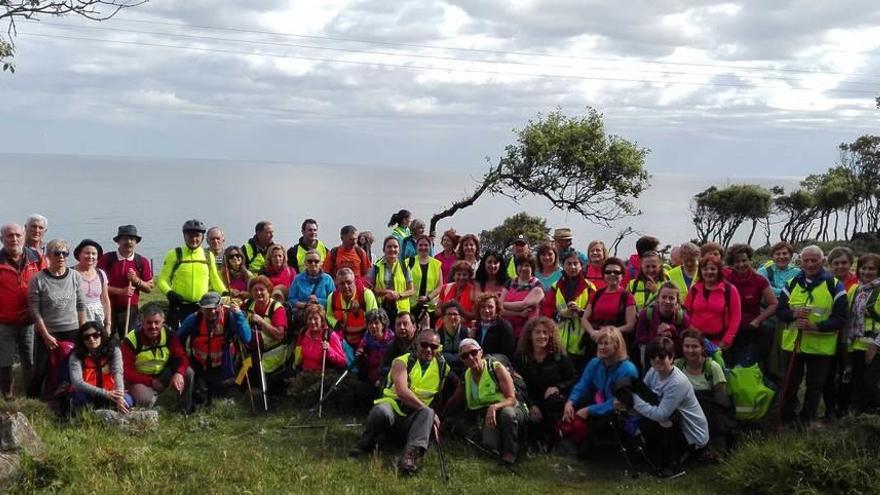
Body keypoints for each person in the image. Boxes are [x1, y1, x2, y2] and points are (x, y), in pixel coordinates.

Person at [350, 329, 454, 476]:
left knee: (428, 413)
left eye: (434, 346)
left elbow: (441, 395)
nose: (429, 349)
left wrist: (435, 416)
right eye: (424, 344)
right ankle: (366, 442)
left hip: (412, 421)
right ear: (417, 344)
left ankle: (409, 457)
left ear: (439, 348)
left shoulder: (443, 368)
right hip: (393, 410)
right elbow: (402, 392)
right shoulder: (402, 362)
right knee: (381, 412)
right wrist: (430, 412)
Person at [776, 245, 848, 425]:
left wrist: (815, 326)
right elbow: (781, 311)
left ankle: (806, 420)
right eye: (806, 260)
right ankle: (787, 418)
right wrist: (793, 314)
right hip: (793, 345)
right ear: (800, 262)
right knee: (790, 385)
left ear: (822, 261)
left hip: (820, 347)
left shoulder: (834, 285)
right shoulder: (791, 283)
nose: (810, 264)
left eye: (814, 260)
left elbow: (840, 319)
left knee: (814, 386)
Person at [619, 337, 709, 477]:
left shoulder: (677, 382)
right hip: (674, 423)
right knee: (647, 421)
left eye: (661, 356)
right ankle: (656, 455)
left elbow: (661, 414)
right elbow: (645, 395)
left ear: (672, 357)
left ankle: (673, 461)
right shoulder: (653, 372)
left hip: (693, 435)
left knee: (663, 421)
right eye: (652, 357)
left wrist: (633, 400)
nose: (656, 360)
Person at [561, 328, 638, 453]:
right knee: (569, 405)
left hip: (621, 411)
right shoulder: (595, 363)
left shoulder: (627, 370)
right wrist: (570, 402)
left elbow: (619, 402)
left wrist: (589, 410)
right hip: (602, 403)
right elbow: (582, 385)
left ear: (617, 346)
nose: (602, 347)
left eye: (606, 343)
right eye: (600, 343)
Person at [452, 338, 527, 465]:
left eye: (474, 352)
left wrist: (494, 407)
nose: (470, 357)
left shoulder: (496, 367)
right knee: (490, 444)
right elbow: (455, 399)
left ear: (481, 352)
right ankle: (498, 445)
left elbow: (511, 398)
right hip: (487, 413)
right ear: (461, 359)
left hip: (511, 408)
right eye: (465, 356)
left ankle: (511, 453)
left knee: (507, 414)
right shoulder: (466, 375)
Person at [27, 239, 86, 399]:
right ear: (48, 256)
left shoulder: (75, 276)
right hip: (48, 332)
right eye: (57, 253)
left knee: (72, 368)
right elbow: (34, 311)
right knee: (42, 369)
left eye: (64, 253)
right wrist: (46, 336)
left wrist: (84, 331)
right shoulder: (38, 279)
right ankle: (32, 400)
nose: (61, 256)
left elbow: (81, 305)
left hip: (73, 330)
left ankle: (67, 398)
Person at [177, 292, 251, 405]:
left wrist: (239, 314)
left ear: (221, 306)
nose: (211, 312)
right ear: (201, 308)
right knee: (199, 397)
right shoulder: (194, 319)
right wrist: (182, 359)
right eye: (207, 309)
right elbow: (178, 339)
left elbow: (246, 338)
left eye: (214, 308)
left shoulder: (229, 317)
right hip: (199, 365)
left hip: (223, 367)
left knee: (219, 397)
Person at [515, 317, 577, 448]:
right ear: (530, 336)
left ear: (551, 335)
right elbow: (518, 385)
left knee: (554, 401)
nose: (541, 336)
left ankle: (553, 440)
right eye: (537, 332)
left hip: (551, 402)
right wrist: (531, 405)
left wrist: (558, 387)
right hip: (530, 400)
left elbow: (573, 378)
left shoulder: (559, 356)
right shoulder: (522, 358)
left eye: (545, 332)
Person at [121, 303, 194, 411]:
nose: (153, 326)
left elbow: (182, 356)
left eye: (157, 323)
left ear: (162, 322)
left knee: (188, 372)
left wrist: (179, 373)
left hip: (163, 374)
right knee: (145, 400)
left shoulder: (169, 334)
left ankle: (183, 408)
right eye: (149, 323)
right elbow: (127, 371)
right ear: (142, 322)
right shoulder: (131, 340)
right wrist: (151, 381)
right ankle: (162, 404)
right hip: (140, 379)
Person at [0, 223, 45, 399]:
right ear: (2, 239)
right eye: (9, 236)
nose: (14, 239)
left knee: (30, 359)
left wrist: (36, 311)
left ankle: (31, 394)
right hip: (4, 322)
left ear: (24, 236)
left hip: (30, 320)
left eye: (18, 235)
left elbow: (45, 285)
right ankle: (8, 395)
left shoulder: (37, 258)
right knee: (4, 361)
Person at [155, 219, 226, 330]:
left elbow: (214, 279)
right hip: (179, 306)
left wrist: (224, 292)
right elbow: (162, 280)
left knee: (199, 338)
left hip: (201, 307)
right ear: (184, 236)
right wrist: (170, 293)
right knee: (177, 340)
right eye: (190, 236)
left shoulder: (208, 255)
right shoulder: (174, 254)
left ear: (202, 237)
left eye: (197, 235)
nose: (194, 239)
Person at [675, 330, 735, 452]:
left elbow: (721, 397)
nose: (690, 350)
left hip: (709, 413)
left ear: (702, 348)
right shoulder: (677, 366)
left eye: (694, 346)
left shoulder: (713, 367)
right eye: (687, 346)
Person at [542, 248, 596, 370]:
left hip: (581, 340)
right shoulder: (556, 286)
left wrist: (580, 311)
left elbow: (595, 313)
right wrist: (561, 315)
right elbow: (546, 310)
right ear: (563, 265)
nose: (572, 267)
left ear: (581, 266)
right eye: (569, 264)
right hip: (558, 340)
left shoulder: (589, 287)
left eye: (576, 264)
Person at [725, 244, 778, 368]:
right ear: (732, 264)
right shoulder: (726, 280)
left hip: (750, 332)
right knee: (727, 367)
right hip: (728, 331)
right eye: (737, 261)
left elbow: (774, 304)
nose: (741, 264)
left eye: (744, 260)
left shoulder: (759, 280)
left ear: (750, 260)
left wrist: (758, 320)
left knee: (745, 369)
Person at [97, 225, 153, 337]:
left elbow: (149, 288)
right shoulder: (106, 259)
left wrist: (136, 280)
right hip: (108, 307)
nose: (129, 242)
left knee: (129, 339)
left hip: (130, 309)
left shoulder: (142, 261)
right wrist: (120, 291)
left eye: (132, 239)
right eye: (125, 238)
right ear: (118, 241)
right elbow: (97, 285)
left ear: (136, 242)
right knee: (106, 338)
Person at [68, 321, 132, 414]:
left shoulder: (114, 351)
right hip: (88, 393)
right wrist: (105, 394)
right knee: (79, 400)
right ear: (82, 340)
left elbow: (118, 372)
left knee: (127, 402)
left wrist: (120, 396)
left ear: (102, 335)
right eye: (86, 337)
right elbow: (77, 383)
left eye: (95, 335)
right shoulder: (76, 355)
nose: (91, 339)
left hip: (112, 392)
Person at [244, 276, 291, 395]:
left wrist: (261, 321)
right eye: (255, 290)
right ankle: (241, 389)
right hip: (253, 351)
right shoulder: (249, 304)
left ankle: (259, 391)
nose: (259, 293)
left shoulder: (277, 308)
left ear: (268, 291)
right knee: (241, 378)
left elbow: (279, 335)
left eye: (262, 289)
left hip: (272, 354)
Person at [683, 256, 742, 350]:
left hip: (719, 342)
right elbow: (686, 314)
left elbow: (736, 317)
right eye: (705, 269)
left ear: (719, 270)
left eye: (713, 269)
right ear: (701, 271)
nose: (709, 272)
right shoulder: (695, 289)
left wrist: (727, 339)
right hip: (695, 342)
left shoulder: (730, 290)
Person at [582, 258, 637, 354]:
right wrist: (592, 332)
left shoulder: (627, 297)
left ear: (622, 275)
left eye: (616, 272)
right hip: (595, 342)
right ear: (603, 275)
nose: (612, 274)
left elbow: (630, 325)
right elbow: (585, 318)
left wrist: (608, 333)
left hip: (616, 345)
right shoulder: (597, 294)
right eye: (608, 272)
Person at [850, 254, 880, 413]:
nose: (867, 272)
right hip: (857, 344)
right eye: (864, 268)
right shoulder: (856, 289)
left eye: (872, 268)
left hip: (876, 346)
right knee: (858, 383)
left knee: (870, 382)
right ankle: (861, 418)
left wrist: (875, 346)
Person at [635, 282, 691, 366]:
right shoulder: (646, 314)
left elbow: (685, 343)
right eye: (664, 297)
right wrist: (657, 334)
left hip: (675, 357)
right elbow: (639, 338)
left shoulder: (683, 318)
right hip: (651, 356)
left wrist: (671, 329)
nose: (667, 301)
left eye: (671, 298)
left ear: (677, 301)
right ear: (658, 298)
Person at [325, 268, 379, 347]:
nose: (346, 286)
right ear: (337, 284)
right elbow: (329, 315)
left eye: (349, 282)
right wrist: (337, 324)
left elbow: (374, 319)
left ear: (354, 282)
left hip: (364, 337)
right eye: (342, 283)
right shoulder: (332, 297)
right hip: (342, 337)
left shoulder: (366, 295)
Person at [368, 236, 413, 323]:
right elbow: (371, 289)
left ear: (399, 250)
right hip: (382, 310)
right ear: (384, 249)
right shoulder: (376, 267)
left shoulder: (404, 266)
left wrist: (399, 295)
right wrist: (388, 292)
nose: (392, 249)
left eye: (395, 247)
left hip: (402, 312)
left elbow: (411, 290)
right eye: (389, 247)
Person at [73, 239, 111, 335]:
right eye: (87, 253)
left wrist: (108, 324)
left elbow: (105, 300)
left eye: (94, 254)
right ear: (79, 254)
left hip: (98, 318)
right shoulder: (71, 273)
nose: (90, 256)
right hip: (76, 317)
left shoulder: (101, 274)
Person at [500, 255, 545, 339]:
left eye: (527, 265)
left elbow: (523, 305)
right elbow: (499, 310)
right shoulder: (509, 283)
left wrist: (502, 304)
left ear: (532, 268)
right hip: (506, 330)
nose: (523, 268)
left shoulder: (538, 286)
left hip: (527, 333)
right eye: (520, 265)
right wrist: (519, 313)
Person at [294, 303, 347, 372]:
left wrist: (329, 350)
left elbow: (342, 361)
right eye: (310, 319)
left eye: (316, 319)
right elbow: (298, 355)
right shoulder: (303, 333)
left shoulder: (330, 335)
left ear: (322, 321)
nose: (312, 322)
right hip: (303, 373)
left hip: (323, 376)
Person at [406, 235, 443, 329]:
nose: (423, 247)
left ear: (430, 247)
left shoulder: (436, 264)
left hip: (430, 307)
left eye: (426, 245)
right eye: (420, 245)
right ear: (416, 247)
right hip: (412, 306)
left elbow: (440, 286)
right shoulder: (408, 262)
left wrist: (428, 297)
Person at [289, 250, 335, 317]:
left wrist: (318, 301)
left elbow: (333, 300)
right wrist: (305, 305)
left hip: (322, 314)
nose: (313, 264)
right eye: (310, 261)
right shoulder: (298, 279)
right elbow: (291, 299)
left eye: (316, 261)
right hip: (303, 314)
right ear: (305, 263)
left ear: (321, 263)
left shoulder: (327, 279)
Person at [356, 308, 395, 387]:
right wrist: (360, 357)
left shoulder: (392, 341)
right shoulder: (365, 340)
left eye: (376, 323)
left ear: (383, 325)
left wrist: (382, 380)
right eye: (370, 323)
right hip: (370, 379)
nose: (373, 326)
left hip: (387, 380)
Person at [431, 260, 477, 324]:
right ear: (453, 276)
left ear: (469, 276)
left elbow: (474, 315)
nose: (461, 277)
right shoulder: (445, 288)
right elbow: (437, 310)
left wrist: (458, 307)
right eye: (458, 274)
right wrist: (448, 314)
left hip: (464, 328)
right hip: (444, 326)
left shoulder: (474, 291)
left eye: (464, 275)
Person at [473, 293, 516, 360]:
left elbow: (507, 355)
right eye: (483, 307)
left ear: (497, 309)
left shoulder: (505, 327)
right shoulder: (476, 325)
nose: (486, 310)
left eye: (490, 307)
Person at [380, 312, 420, 376]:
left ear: (414, 327)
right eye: (398, 324)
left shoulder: (421, 346)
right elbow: (382, 369)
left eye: (405, 324)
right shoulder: (391, 346)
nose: (402, 327)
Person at [437, 301, 470, 376]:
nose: (452, 317)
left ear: (460, 317)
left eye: (455, 314)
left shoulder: (468, 334)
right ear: (442, 318)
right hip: (444, 372)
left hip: (464, 371)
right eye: (449, 314)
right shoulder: (437, 336)